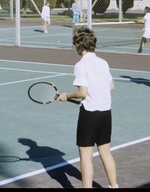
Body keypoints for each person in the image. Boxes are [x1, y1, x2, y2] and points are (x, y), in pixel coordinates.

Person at [57, 26, 118, 188]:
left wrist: (67, 95)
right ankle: (114, 186)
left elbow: (82, 92)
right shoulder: (103, 62)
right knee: (105, 153)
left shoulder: (80, 65)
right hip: (106, 113)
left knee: (85, 156)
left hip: (90, 115)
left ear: (78, 45)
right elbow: (111, 86)